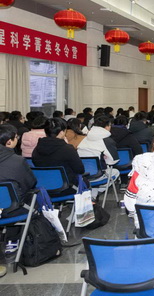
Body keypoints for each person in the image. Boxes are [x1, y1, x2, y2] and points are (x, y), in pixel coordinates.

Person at [0, 124, 37, 278]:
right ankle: (13, 240)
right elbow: (30, 183)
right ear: (9, 141)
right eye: (16, 137)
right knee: (30, 198)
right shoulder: (17, 161)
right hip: (11, 209)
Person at [32, 118, 85, 189]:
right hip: (66, 188)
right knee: (86, 182)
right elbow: (80, 170)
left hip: (43, 187)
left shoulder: (36, 149)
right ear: (61, 132)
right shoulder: (68, 149)